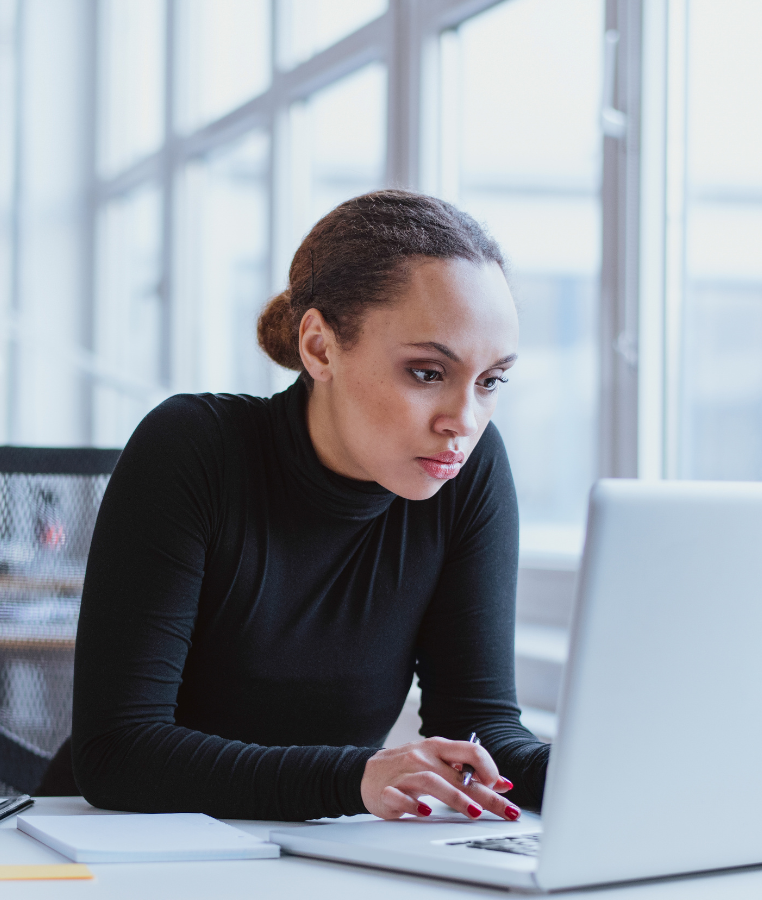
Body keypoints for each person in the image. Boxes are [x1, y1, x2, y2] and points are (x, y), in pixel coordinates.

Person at [67, 190, 546, 823]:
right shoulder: (192, 449)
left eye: (490, 382)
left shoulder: (469, 472)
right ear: (320, 347)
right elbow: (117, 754)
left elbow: (480, 731)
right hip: (125, 850)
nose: (463, 421)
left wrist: (622, 767)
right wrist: (353, 780)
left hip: (312, 856)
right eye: (428, 373)